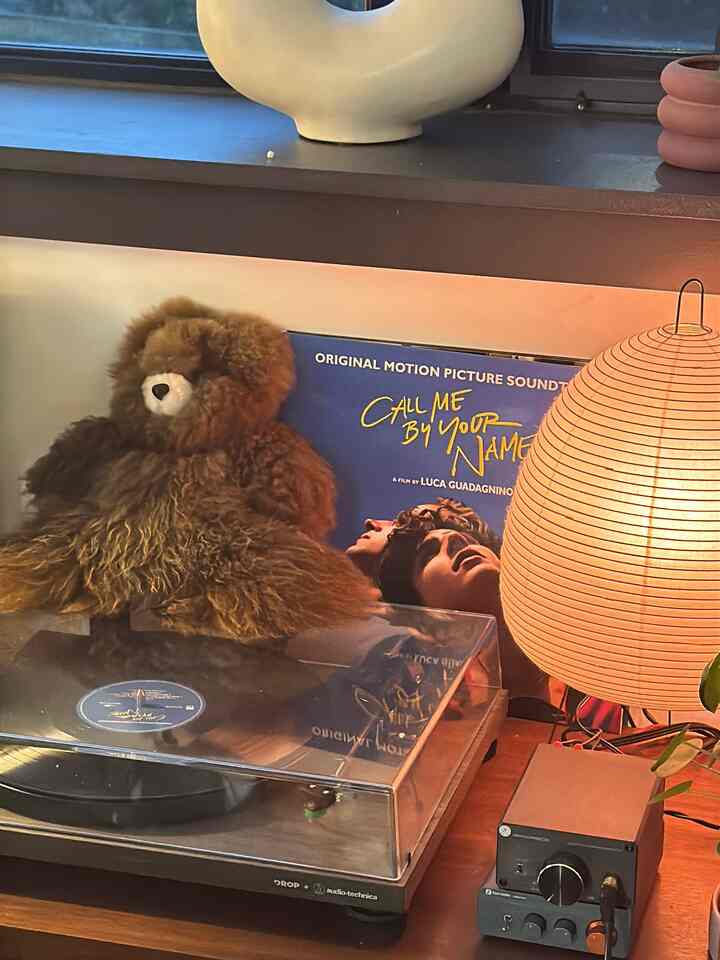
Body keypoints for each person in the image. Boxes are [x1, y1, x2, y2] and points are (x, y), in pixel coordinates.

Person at [346, 499, 550, 702]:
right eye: (429, 554)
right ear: (420, 618)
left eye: (470, 541)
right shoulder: (442, 709)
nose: (455, 540)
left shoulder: (566, 644)